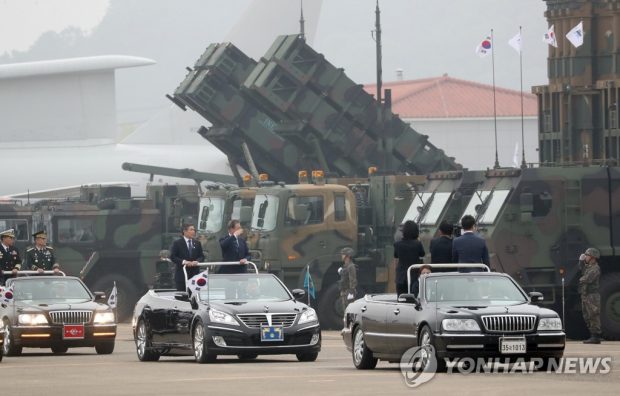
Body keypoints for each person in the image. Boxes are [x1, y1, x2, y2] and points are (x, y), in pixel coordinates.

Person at [393, 220, 425, 296]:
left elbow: (396, 256)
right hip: (414, 276)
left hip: (401, 277)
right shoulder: (417, 244)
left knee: (401, 299)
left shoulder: (397, 244)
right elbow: (422, 254)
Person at [170, 223, 205, 292]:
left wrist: (197, 261)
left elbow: (201, 256)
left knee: (194, 298)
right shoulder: (177, 243)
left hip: (195, 276)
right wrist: (184, 262)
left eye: (194, 230)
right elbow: (173, 257)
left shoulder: (197, 243)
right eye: (191, 230)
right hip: (182, 275)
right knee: (182, 298)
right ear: (184, 231)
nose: (193, 232)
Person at [578, 248, 602, 344]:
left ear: (592, 257)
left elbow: (587, 278)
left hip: (592, 296)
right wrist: (581, 262)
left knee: (593, 315)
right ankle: (592, 335)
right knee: (587, 315)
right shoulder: (589, 267)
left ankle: (595, 336)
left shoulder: (595, 268)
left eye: (587, 255)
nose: (585, 257)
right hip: (586, 295)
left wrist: (581, 279)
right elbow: (582, 270)